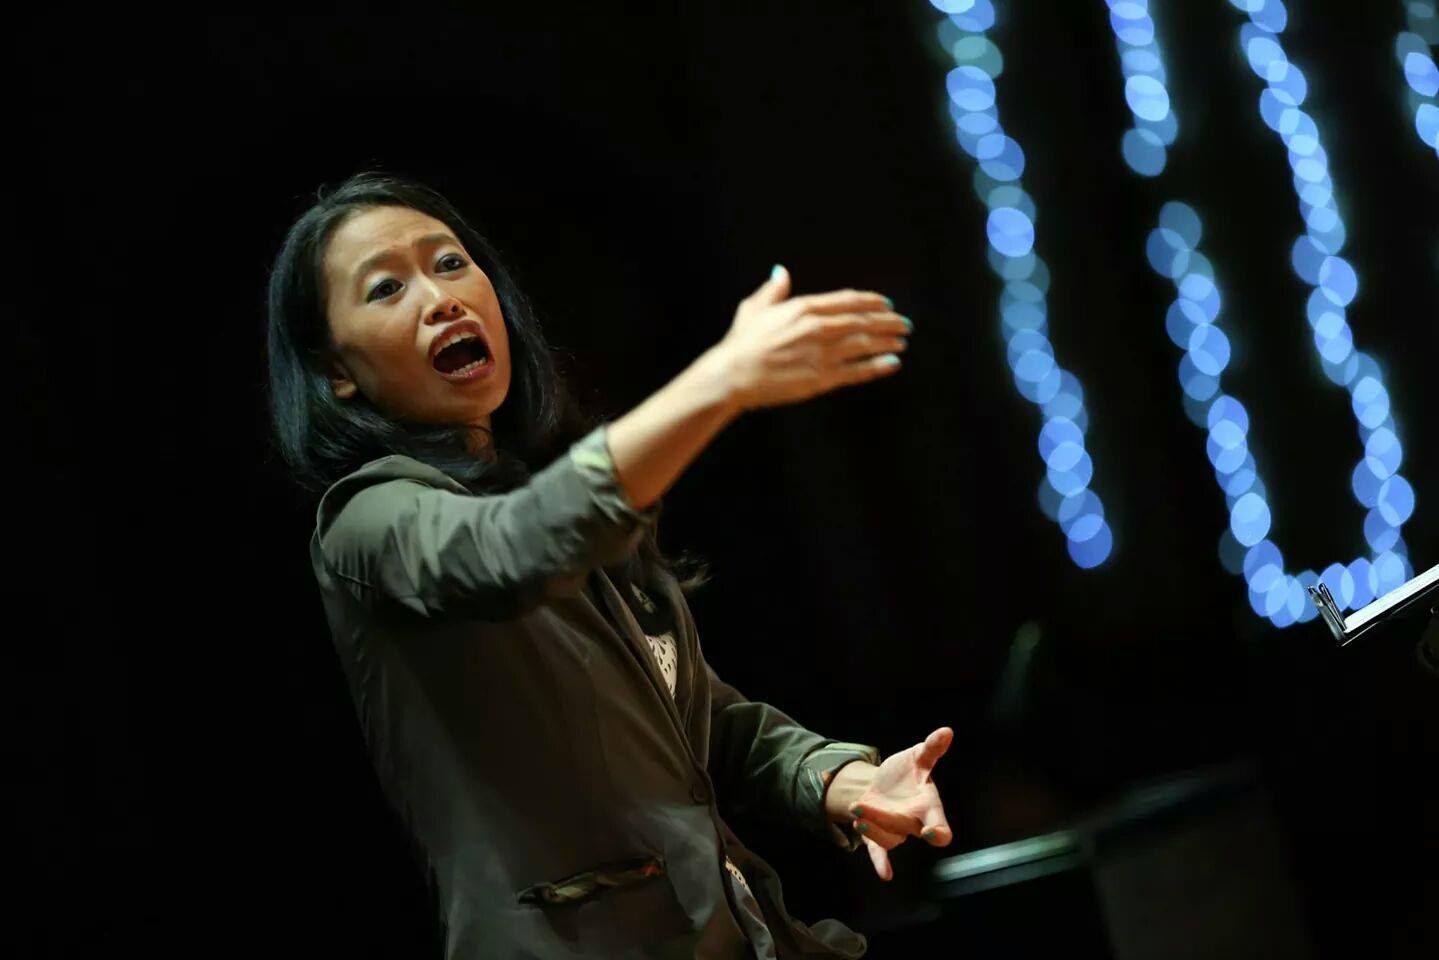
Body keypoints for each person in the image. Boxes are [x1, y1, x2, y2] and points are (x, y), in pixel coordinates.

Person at [265, 171, 954, 958]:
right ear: (336, 371)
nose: (440, 298)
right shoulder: (366, 520)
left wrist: (840, 781)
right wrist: (720, 381)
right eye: (386, 288)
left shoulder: (538, 491)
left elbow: (702, 721)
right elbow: (510, 548)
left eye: (450, 263)